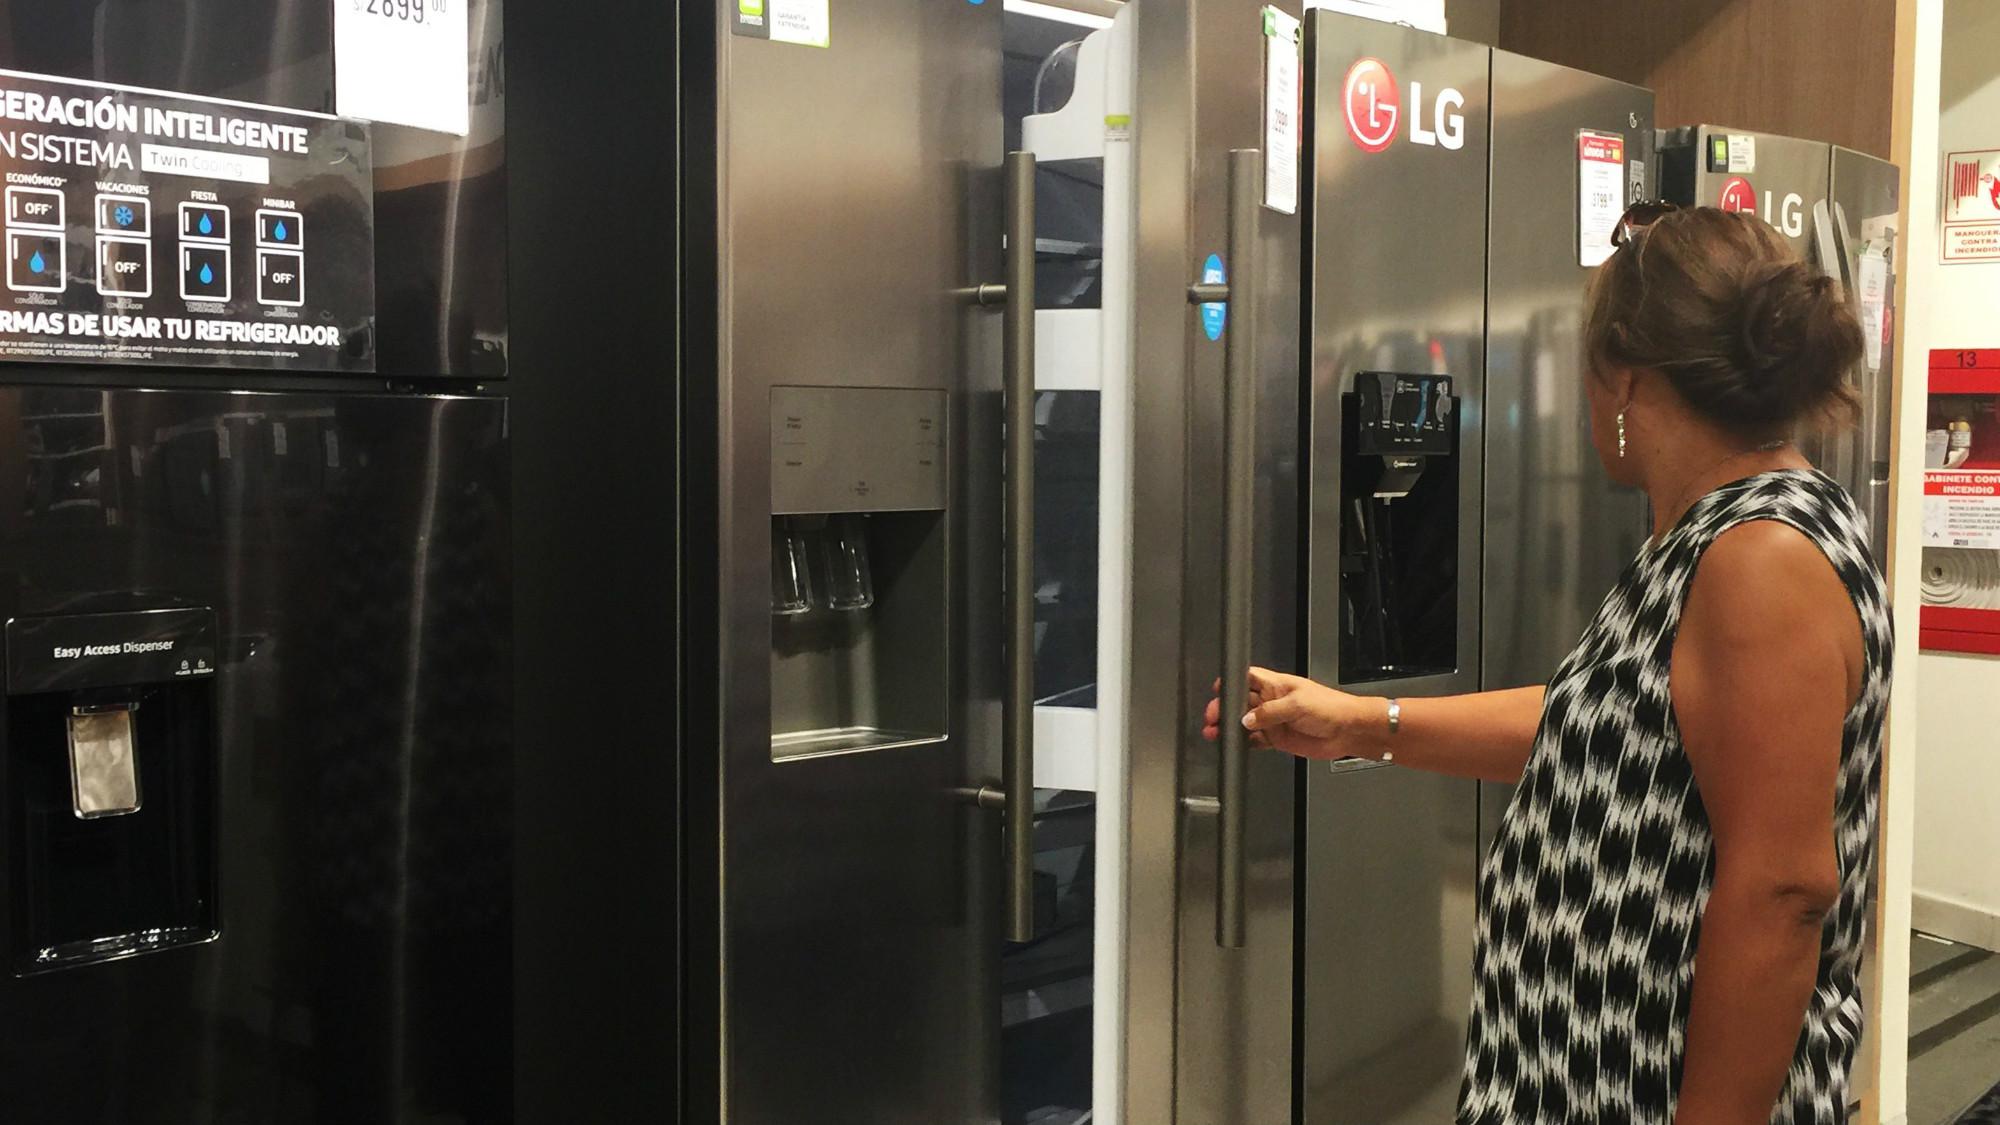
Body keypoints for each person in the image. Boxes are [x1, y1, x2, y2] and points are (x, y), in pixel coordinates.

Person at [1205, 204, 1890, 1125]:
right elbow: (1605, 724)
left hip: (1646, 1093)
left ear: (1626, 379)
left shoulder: (1758, 556)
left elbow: (1783, 893)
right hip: (1575, 1076)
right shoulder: (1716, 531)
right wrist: (1363, 723)